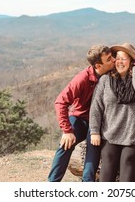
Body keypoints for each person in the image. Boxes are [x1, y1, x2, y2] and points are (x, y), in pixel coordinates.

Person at [48, 44, 115, 182]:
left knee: (93, 146)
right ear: (98, 66)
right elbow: (60, 102)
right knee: (66, 144)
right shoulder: (82, 79)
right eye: (109, 59)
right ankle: (52, 184)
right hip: (80, 118)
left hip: (99, 121)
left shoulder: (112, 73)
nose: (113, 60)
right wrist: (67, 130)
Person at [90, 43, 135, 182]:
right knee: (108, 160)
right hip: (111, 133)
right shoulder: (106, 80)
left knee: (127, 160)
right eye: (117, 58)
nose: (119, 62)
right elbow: (96, 106)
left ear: (132, 61)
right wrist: (94, 131)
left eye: (124, 58)